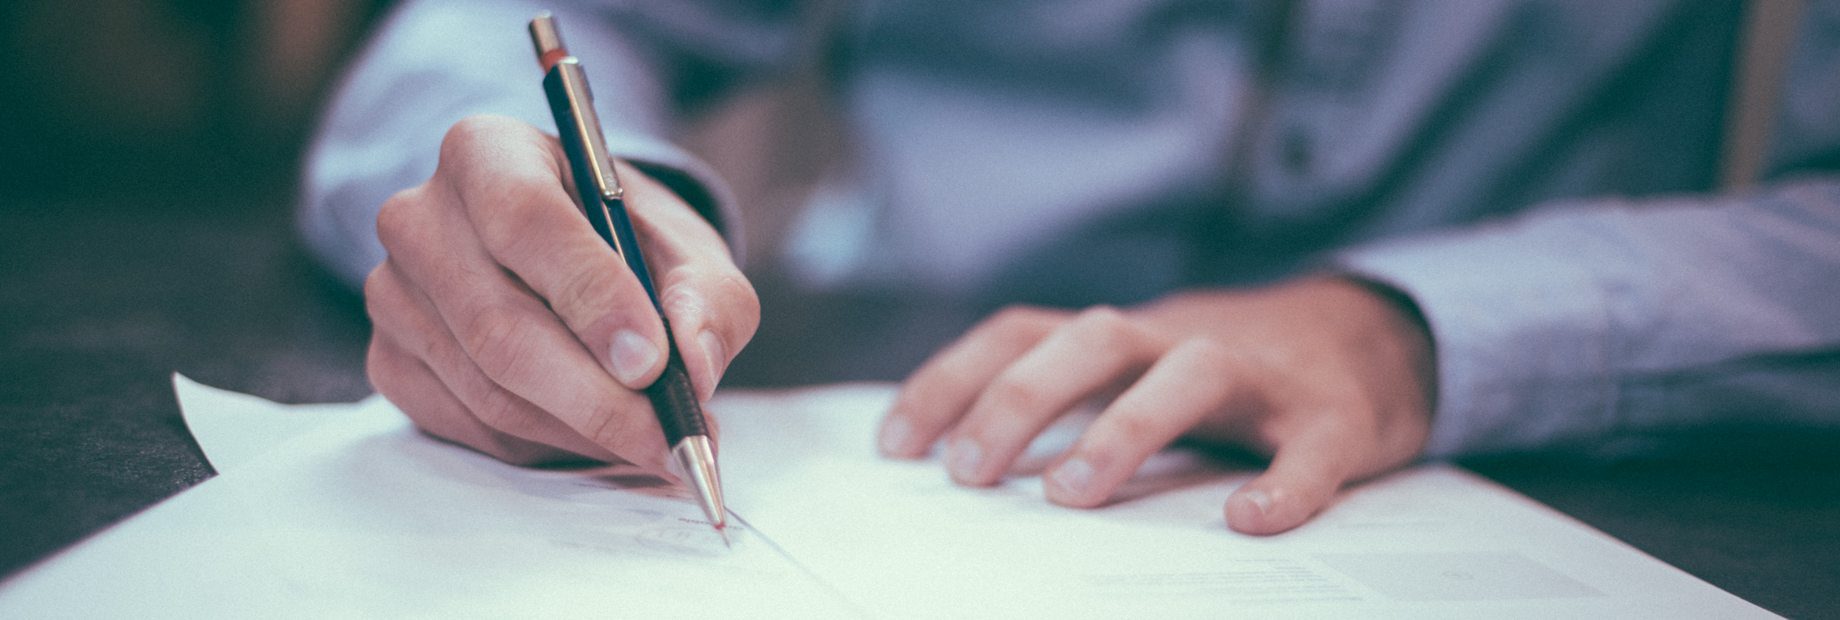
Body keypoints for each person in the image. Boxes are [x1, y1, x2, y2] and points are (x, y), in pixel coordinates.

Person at [299, 1, 1840, 535]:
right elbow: (506, 25)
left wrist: (1411, 330)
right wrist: (544, 219)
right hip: (886, 407)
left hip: (1522, 457)